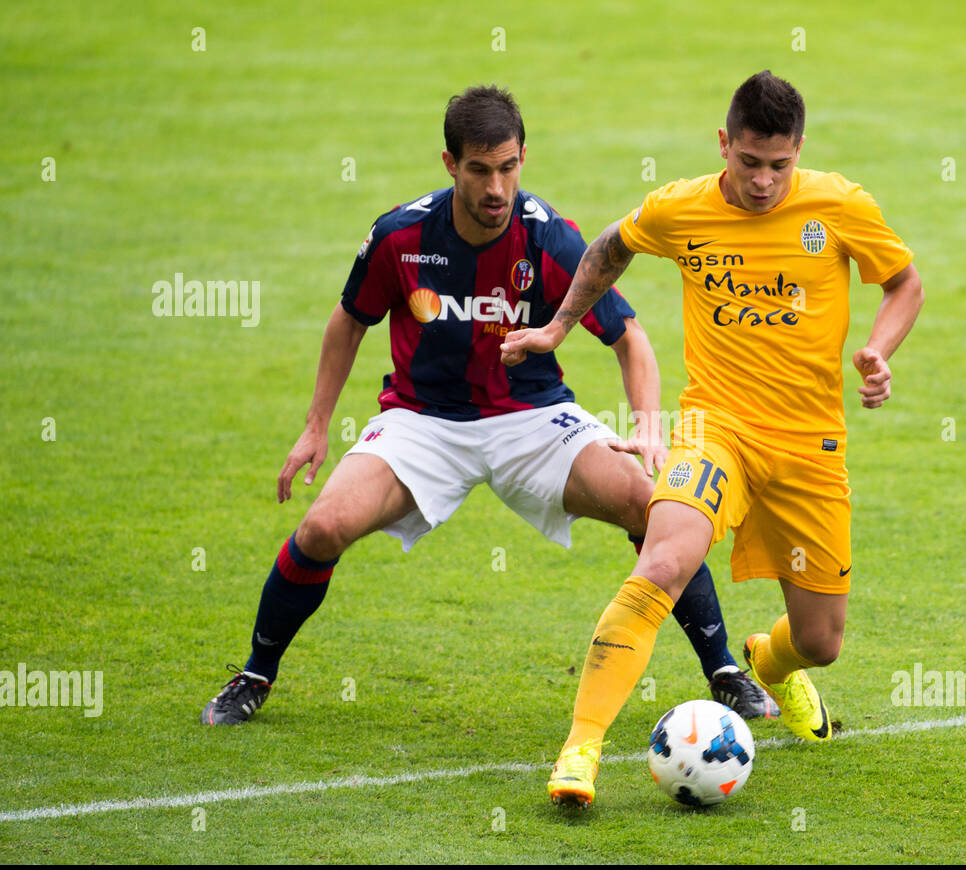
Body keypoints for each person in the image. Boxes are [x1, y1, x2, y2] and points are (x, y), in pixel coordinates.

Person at [200, 85, 774, 726]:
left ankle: (723, 670)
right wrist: (315, 426)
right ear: (450, 164)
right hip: (422, 421)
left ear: (523, 157)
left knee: (649, 503)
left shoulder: (549, 238)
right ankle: (255, 674)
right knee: (322, 528)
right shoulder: (402, 235)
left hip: (532, 418)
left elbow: (631, 338)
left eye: (508, 167)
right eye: (480, 170)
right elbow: (348, 321)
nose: (497, 188)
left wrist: (646, 427)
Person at [502, 70, 925, 807]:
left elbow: (904, 283)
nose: (763, 181)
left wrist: (881, 349)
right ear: (724, 144)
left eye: (780, 165)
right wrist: (559, 326)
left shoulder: (840, 205)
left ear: (799, 152)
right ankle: (582, 748)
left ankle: (769, 661)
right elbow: (611, 244)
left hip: (809, 443)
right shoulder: (682, 208)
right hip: (713, 427)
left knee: (821, 640)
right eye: (749, 162)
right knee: (663, 558)